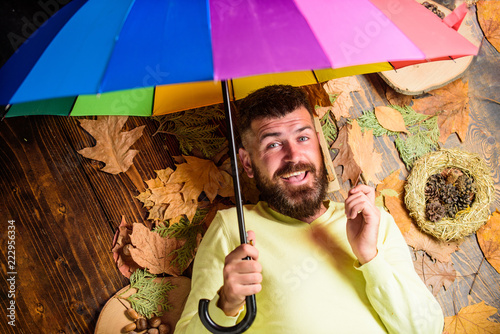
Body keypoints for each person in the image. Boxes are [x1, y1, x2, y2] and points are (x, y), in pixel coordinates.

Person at [174, 85, 444, 333]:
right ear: (246, 163)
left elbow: (425, 329)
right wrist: (225, 305)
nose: (293, 156)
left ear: (317, 143)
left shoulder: (372, 223)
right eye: (273, 144)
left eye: (302, 138)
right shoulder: (233, 230)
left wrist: (370, 258)